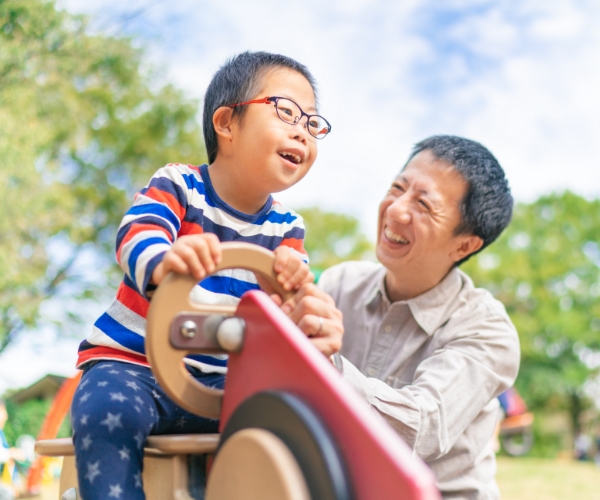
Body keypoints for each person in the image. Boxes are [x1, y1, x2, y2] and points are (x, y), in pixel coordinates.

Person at [70, 51, 332, 500]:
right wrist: (164, 260)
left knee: (293, 421)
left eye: (312, 123)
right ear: (227, 122)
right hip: (136, 367)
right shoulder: (180, 185)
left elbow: (292, 303)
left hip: (222, 383)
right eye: (286, 111)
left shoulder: (287, 227)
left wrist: (290, 288)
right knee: (104, 414)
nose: (300, 130)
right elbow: (137, 232)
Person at [282, 135, 520, 499]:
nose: (395, 211)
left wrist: (319, 367)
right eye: (398, 187)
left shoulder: (487, 329)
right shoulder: (340, 283)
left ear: (465, 244)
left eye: (424, 204)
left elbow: (421, 427)